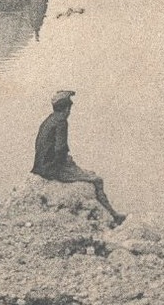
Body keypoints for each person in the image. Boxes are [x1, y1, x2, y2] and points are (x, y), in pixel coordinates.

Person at [31, 90, 125, 223]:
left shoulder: (49, 119)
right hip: (52, 169)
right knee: (96, 180)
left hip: (40, 166)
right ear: (66, 108)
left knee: (88, 173)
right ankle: (113, 215)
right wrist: (65, 164)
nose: (70, 111)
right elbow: (60, 149)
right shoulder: (61, 122)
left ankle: (111, 213)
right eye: (69, 108)